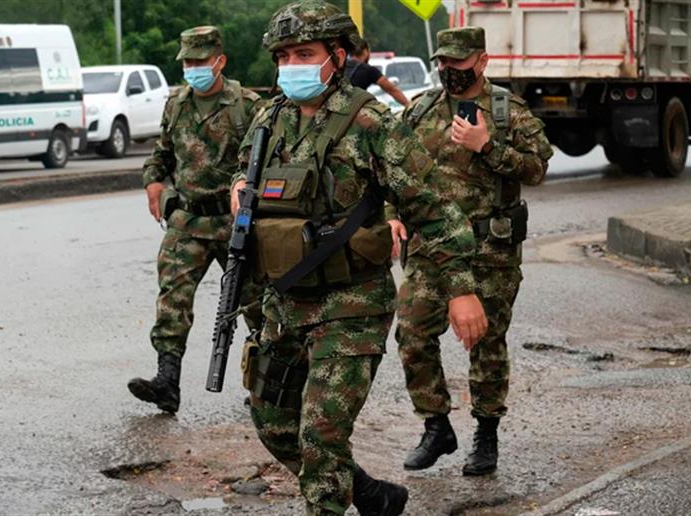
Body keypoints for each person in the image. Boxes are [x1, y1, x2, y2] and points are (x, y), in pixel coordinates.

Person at [230, 2, 488, 514]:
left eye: (305, 54)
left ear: (338, 55)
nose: (291, 66)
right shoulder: (269, 117)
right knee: (274, 423)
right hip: (284, 301)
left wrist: (461, 290)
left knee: (320, 436)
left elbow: (433, 208)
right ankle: (370, 494)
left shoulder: (372, 123)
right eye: (283, 57)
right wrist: (238, 187)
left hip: (351, 305)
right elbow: (243, 169)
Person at [392, 26, 553, 477]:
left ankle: (486, 431)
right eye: (443, 62)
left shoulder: (506, 111)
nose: (449, 70)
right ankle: (436, 425)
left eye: (458, 63)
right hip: (431, 247)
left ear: (481, 62)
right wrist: (391, 214)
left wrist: (487, 147)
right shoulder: (421, 110)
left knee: (485, 341)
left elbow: (538, 168)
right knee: (412, 333)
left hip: (489, 248)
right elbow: (391, 168)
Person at [127, 26, 264, 413]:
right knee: (173, 299)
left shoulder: (247, 105)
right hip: (187, 221)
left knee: (255, 304)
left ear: (219, 61)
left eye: (200, 61)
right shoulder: (177, 104)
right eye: (187, 62)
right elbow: (161, 153)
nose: (192, 68)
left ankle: (268, 386)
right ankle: (166, 382)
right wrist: (153, 181)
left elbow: (266, 160)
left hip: (233, 223)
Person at [345, 36, 409, 106]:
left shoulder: (340, 66)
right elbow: (391, 89)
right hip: (352, 108)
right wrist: (408, 105)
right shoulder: (369, 70)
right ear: (365, 51)